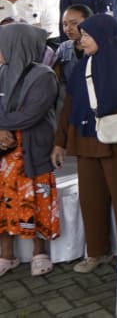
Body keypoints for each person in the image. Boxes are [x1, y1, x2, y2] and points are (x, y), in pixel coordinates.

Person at [53, 14, 117, 274]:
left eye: (87, 35)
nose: (82, 40)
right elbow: (69, 106)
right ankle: (97, 253)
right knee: (91, 199)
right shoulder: (82, 66)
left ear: (103, 36)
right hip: (86, 141)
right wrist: (60, 142)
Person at [0, 23, 60, 277]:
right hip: (5, 154)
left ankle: (39, 252)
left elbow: (31, 115)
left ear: (16, 45)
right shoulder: (2, 72)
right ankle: (6, 255)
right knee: (3, 202)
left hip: (33, 150)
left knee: (37, 199)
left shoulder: (44, 76)